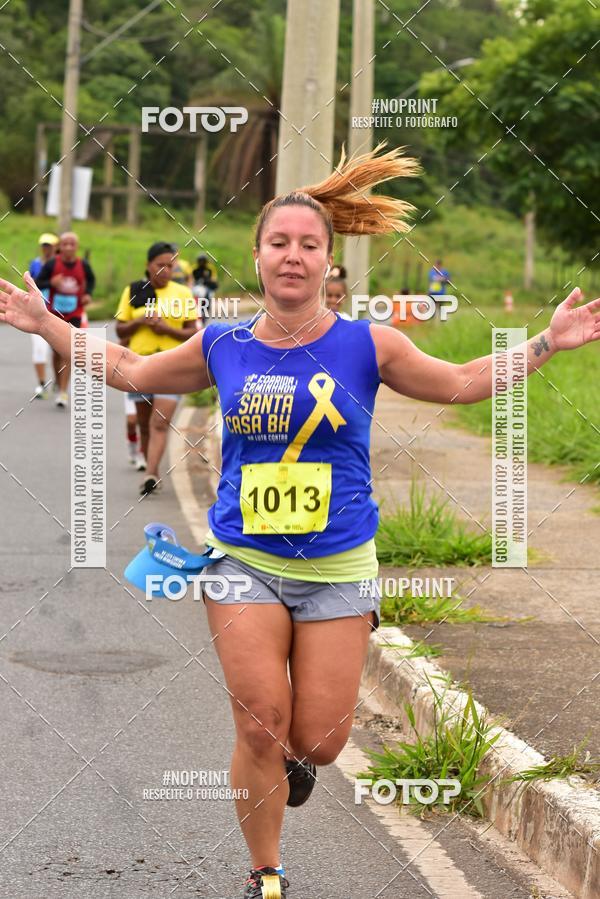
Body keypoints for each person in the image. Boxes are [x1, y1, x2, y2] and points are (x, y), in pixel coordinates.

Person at [2, 145, 600, 899]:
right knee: (260, 724)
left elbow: (460, 383)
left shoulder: (366, 343)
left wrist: (546, 344)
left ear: (328, 259)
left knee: (318, 737)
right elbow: (129, 370)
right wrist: (47, 324)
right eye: (278, 243)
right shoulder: (224, 343)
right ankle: (267, 871)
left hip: (338, 567)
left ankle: (293, 764)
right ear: (256, 254)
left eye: (308, 245)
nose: (292, 256)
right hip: (241, 559)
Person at [114, 241, 198, 495]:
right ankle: (152, 467)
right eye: (160, 265)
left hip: (172, 365)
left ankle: (150, 474)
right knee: (144, 424)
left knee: (159, 422)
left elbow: (193, 332)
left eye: (170, 266)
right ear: (148, 266)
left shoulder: (182, 293)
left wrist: (166, 329)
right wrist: (140, 321)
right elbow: (120, 329)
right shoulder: (135, 290)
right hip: (138, 365)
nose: (166, 271)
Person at [34, 231, 95, 408]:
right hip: (55, 312)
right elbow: (38, 282)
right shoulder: (53, 263)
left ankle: (62, 392)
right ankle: (58, 379)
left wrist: (88, 294)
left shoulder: (83, 264)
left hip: (75, 313)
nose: (68, 247)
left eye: (72, 244)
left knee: (68, 350)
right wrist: (51, 283)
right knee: (56, 352)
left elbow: (91, 281)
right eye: (65, 244)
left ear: (77, 247)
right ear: (60, 246)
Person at [29, 232, 58, 398]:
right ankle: (41, 384)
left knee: (58, 351)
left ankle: (57, 381)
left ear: (55, 247)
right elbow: (32, 283)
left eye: (49, 245)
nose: (46, 248)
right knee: (39, 349)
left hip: (58, 313)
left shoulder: (60, 264)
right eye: (44, 245)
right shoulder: (35, 263)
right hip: (38, 313)